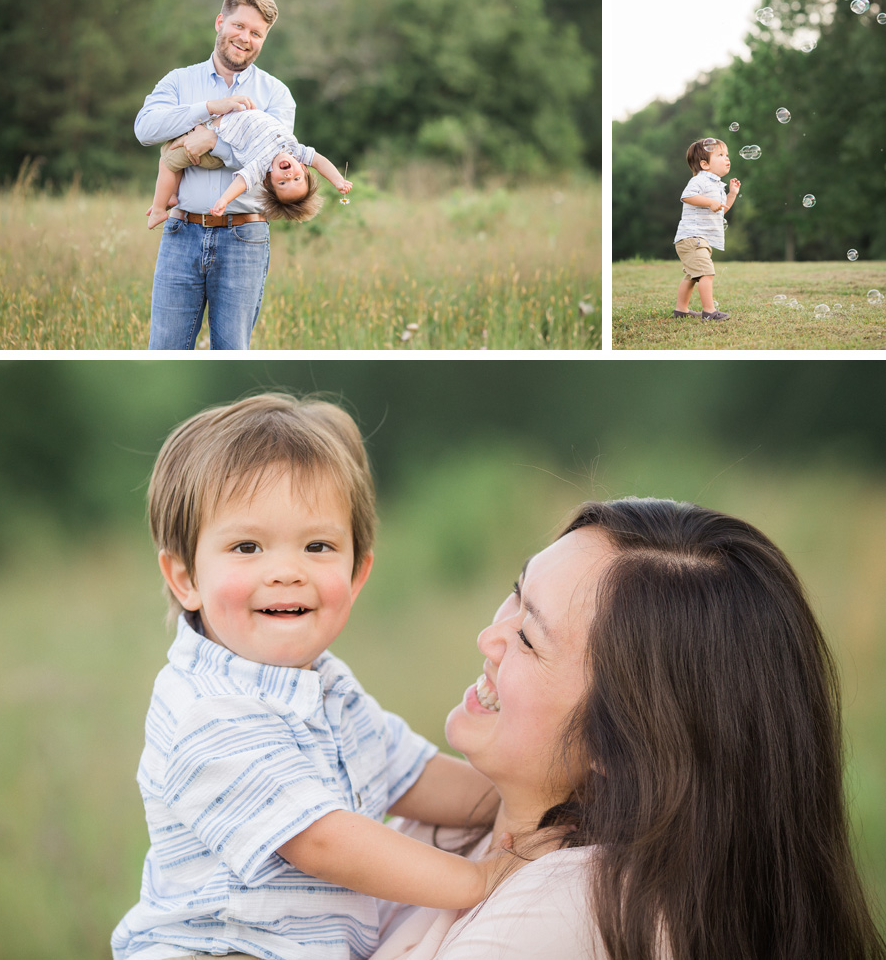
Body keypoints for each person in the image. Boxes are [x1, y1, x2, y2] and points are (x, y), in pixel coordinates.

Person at [111, 393, 544, 960]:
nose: (287, 571)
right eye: (247, 547)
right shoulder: (208, 711)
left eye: (318, 546)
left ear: (357, 572)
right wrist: (480, 881)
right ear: (185, 576)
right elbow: (321, 841)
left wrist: (539, 804)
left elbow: (409, 775)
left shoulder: (326, 686)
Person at [371, 497, 886, 959]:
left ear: (618, 744)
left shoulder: (573, 908)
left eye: (528, 638)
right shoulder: (465, 814)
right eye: (516, 592)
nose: (489, 637)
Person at [135, 0, 297, 350]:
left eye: (257, 33)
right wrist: (209, 109)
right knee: (165, 351)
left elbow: (274, 160)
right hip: (181, 233)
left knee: (232, 353)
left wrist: (212, 141)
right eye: (239, 25)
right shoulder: (180, 82)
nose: (245, 38)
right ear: (219, 22)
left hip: (244, 237)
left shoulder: (276, 95)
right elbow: (145, 129)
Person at [146, 105, 352, 230]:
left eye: (282, 182)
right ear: (304, 169)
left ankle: (158, 209)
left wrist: (224, 200)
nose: (289, 175)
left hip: (211, 148)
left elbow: (242, 182)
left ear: (268, 179)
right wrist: (338, 181)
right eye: (296, 179)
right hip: (213, 130)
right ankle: (172, 195)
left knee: (167, 160)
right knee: (173, 158)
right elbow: (320, 161)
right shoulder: (296, 150)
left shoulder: (263, 163)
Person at [671, 138, 741, 322]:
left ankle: (681, 310)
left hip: (699, 239)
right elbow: (686, 196)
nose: (727, 158)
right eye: (720, 155)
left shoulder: (717, 185)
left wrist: (731, 194)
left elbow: (722, 209)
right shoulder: (700, 180)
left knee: (692, 276)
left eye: (727, 155)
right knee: (706, 273)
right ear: (704, 164)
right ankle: (709, 312)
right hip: (693, 237)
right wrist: (710, 202)